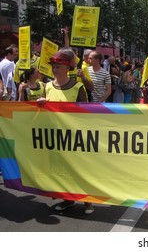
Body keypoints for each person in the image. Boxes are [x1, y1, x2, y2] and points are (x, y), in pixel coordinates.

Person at [37, 49, 93, 215]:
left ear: (67, 68)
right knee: (61, 170)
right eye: (54, 66)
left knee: (80, 170)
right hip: (55, 137)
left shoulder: (78, 87)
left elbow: (86, 112)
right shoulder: (46, 86)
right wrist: (40, 103)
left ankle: (88, 201)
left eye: (59, 66)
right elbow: (40, 112)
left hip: (75, 137)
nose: (55, 69)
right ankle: (67, 199)